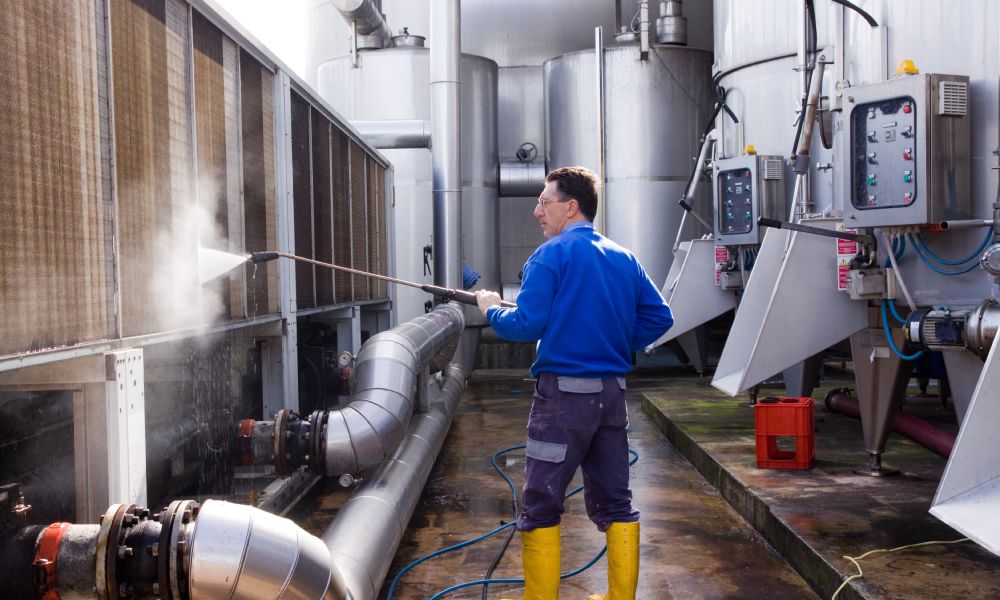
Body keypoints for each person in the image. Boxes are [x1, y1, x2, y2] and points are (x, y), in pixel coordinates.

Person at [475, 166, 673, 600]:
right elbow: (661, 317)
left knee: (541, 502)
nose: (536, 211)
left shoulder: (549, 256)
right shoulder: (623, 258)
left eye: (544, 202)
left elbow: (526, 324)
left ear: (571, 206)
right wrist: (616, 340)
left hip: (563, 398)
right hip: (611, 396)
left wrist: (490, 309)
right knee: (617, 500)